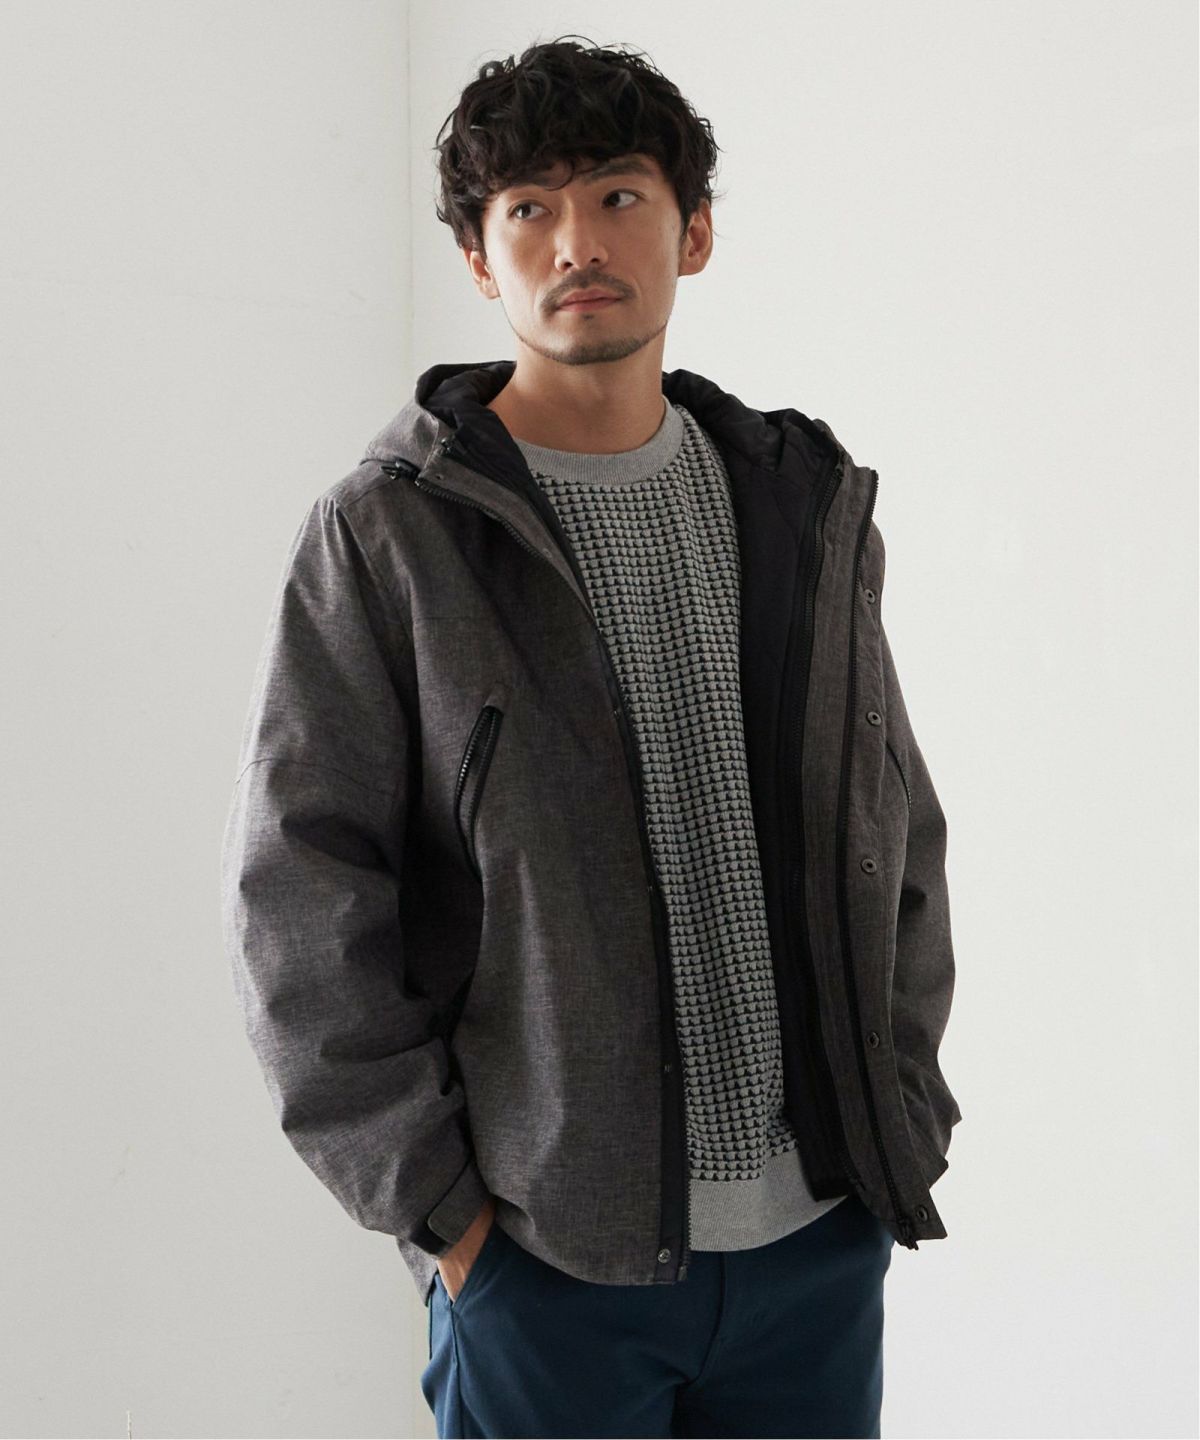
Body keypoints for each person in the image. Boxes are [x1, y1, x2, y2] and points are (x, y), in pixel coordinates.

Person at [220, 34, 962, 1440]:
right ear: (478, 258)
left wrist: (897, 1110)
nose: (577, 242)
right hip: (547, 1260)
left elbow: (893, 826)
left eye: (619, 195)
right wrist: (444, 1215)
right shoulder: (391, 534)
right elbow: (298, 897)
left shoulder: (798, 505)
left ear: (695, 234)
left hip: (816, 1242)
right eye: (529, 209)